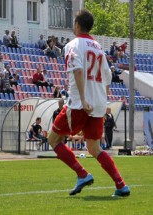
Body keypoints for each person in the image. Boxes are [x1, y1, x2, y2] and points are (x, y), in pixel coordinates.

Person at [48, 10, 130, 197]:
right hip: (97, 106)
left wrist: (84, 98)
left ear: (77, 25)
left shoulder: (73, 45)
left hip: (79, 104)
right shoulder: (99, 48)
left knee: (53, 139)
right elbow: (108, 77)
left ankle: (82, 174)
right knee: (94, 147)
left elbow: (77, 70)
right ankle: (121, 185)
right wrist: (101, 99)